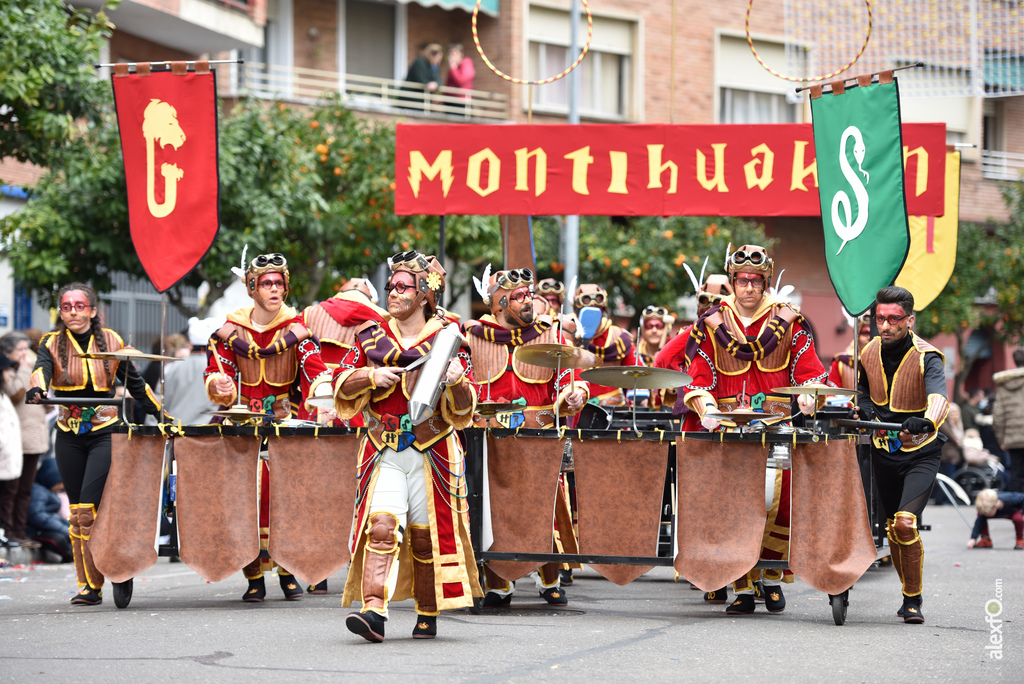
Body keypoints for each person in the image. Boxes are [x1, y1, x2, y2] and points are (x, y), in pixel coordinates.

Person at [331, 250, 480, 642]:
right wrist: (369, 376)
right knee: (380, 526)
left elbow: (465, 409)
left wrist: (457, 380)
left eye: (402, 287)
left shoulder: (451, 339)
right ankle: (373, 612)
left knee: (424, 534)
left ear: (424, 295)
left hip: (433, 451)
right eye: (390, 286)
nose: (393, 293)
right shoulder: (369, 334)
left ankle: (427, 613)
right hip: (384, 449)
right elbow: (339, 384)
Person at [679, 244, 829, 614]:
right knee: (734, 507)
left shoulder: (790, 321)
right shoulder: (711, 323)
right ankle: (743, 586)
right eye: (742, 280)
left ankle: (773, 579)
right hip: (727, 429)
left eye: (756, 281)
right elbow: (698, 375)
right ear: (732, 282)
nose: (749, 287)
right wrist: (707, 408)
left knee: (778, 506)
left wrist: (811, 397)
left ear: (765, 283)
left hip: (775, 427)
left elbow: (809, 371)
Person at [25, 283, 164, 605]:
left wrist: (163, 416)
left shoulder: (113, 341)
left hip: (105, 431)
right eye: (66, 307)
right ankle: (90, 585)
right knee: (77, 513)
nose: (73, 312)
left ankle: (116, 566)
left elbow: (136, 385)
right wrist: (37, 390)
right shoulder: (51, 342)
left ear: (92, 310)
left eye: (79, 306)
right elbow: (40, 371)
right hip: (68, 432)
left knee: (90, 507)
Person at [205, 252, 332, 602]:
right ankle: (253, 576)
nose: (273, 289)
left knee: (286, 500)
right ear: (252, 288)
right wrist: (220, 385)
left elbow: (315, 370)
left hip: (283, 424)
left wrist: (325, 391)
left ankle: (288, 569)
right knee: (245, 500)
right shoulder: (229, 333)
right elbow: (217, 374)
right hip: (242, 425)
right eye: (266, 283)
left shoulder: (299, 332)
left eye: (278, 283)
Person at [465, 266, 589, 607]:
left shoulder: (551, 334)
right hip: (489, 438)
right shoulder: (472, 336)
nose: (528, 302)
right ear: (499, 303)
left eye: (528, 295)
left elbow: (571, 380)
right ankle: (498, 584)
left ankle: (549, 578)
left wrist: (574, 396)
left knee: (540, 509)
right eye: (518, 297)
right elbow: (463, 386)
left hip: (539, 435)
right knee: (492, 511)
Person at [854, 285, 949, 625]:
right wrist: (865, 409)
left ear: (909, 320)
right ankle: (907, 591)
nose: (886, 325)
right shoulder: (867, 351)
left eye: (894, 319)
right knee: (892, 528)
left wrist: (925, 422)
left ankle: (913, 599)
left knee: (906, 524)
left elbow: (940, 399)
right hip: (882, 452)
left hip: (920, 453)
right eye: (880, 318)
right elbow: (862, 390)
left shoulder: (929, 356)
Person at [1, 332, 48, 549]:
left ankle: (20, 530)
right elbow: (16, 394)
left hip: (34, 435)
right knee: (12, 489)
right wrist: (21, 369)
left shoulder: (29, 368)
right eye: (20, 349)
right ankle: (9, 531)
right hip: (16, 438)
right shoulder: (10, 371)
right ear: (7, 351)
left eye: (25, 349)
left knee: (26, 489)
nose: (24, 353)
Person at [573, 284, 639, 406]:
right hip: (574, 406)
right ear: (576, 311)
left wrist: (637, 396)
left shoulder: (619, 336)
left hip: (612, 407)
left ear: (603, 310)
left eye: (596, 309)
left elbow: (636, 374)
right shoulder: (567, 333)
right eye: (587, 310)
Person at [27, 456, 73, 563]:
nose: (63, 486)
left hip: (44, 528)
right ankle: (72, 557)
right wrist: (65, 530)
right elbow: (37, 515)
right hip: (36, 531)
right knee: (59, 539)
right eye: (60, 481)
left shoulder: (46, 491)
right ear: (50, 477)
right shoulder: (38, 491)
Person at [992, 349, 1024, 492]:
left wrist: (1001, 439)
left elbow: (998, 415)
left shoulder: (1004, 384)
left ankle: (1018, 508)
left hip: (1013, 439)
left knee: (1016, 474)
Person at [828, 314, 871, 390]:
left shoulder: (885, 361)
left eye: (872, 334)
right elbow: (831, 394)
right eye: (865, 333)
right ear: (857, 336)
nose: (869, 338)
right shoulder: (840, 363)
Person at [401, 43, 444, 109]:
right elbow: (422, 80)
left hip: (421, 101)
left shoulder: (434, 66)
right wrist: (431, 85)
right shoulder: (419, 62)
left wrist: (435, 84)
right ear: (432, 55)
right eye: (438, 58)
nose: (439, 61)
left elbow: (438, 81)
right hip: (410, 100)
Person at [444, 42, 475, 114]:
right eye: (450, 54)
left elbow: (461, 81)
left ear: (461, 54)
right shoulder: (454, 68)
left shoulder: (466, 63)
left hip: (461, 102)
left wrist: (453, 68)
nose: (451, 57)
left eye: (454, 54)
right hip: (451, 101)